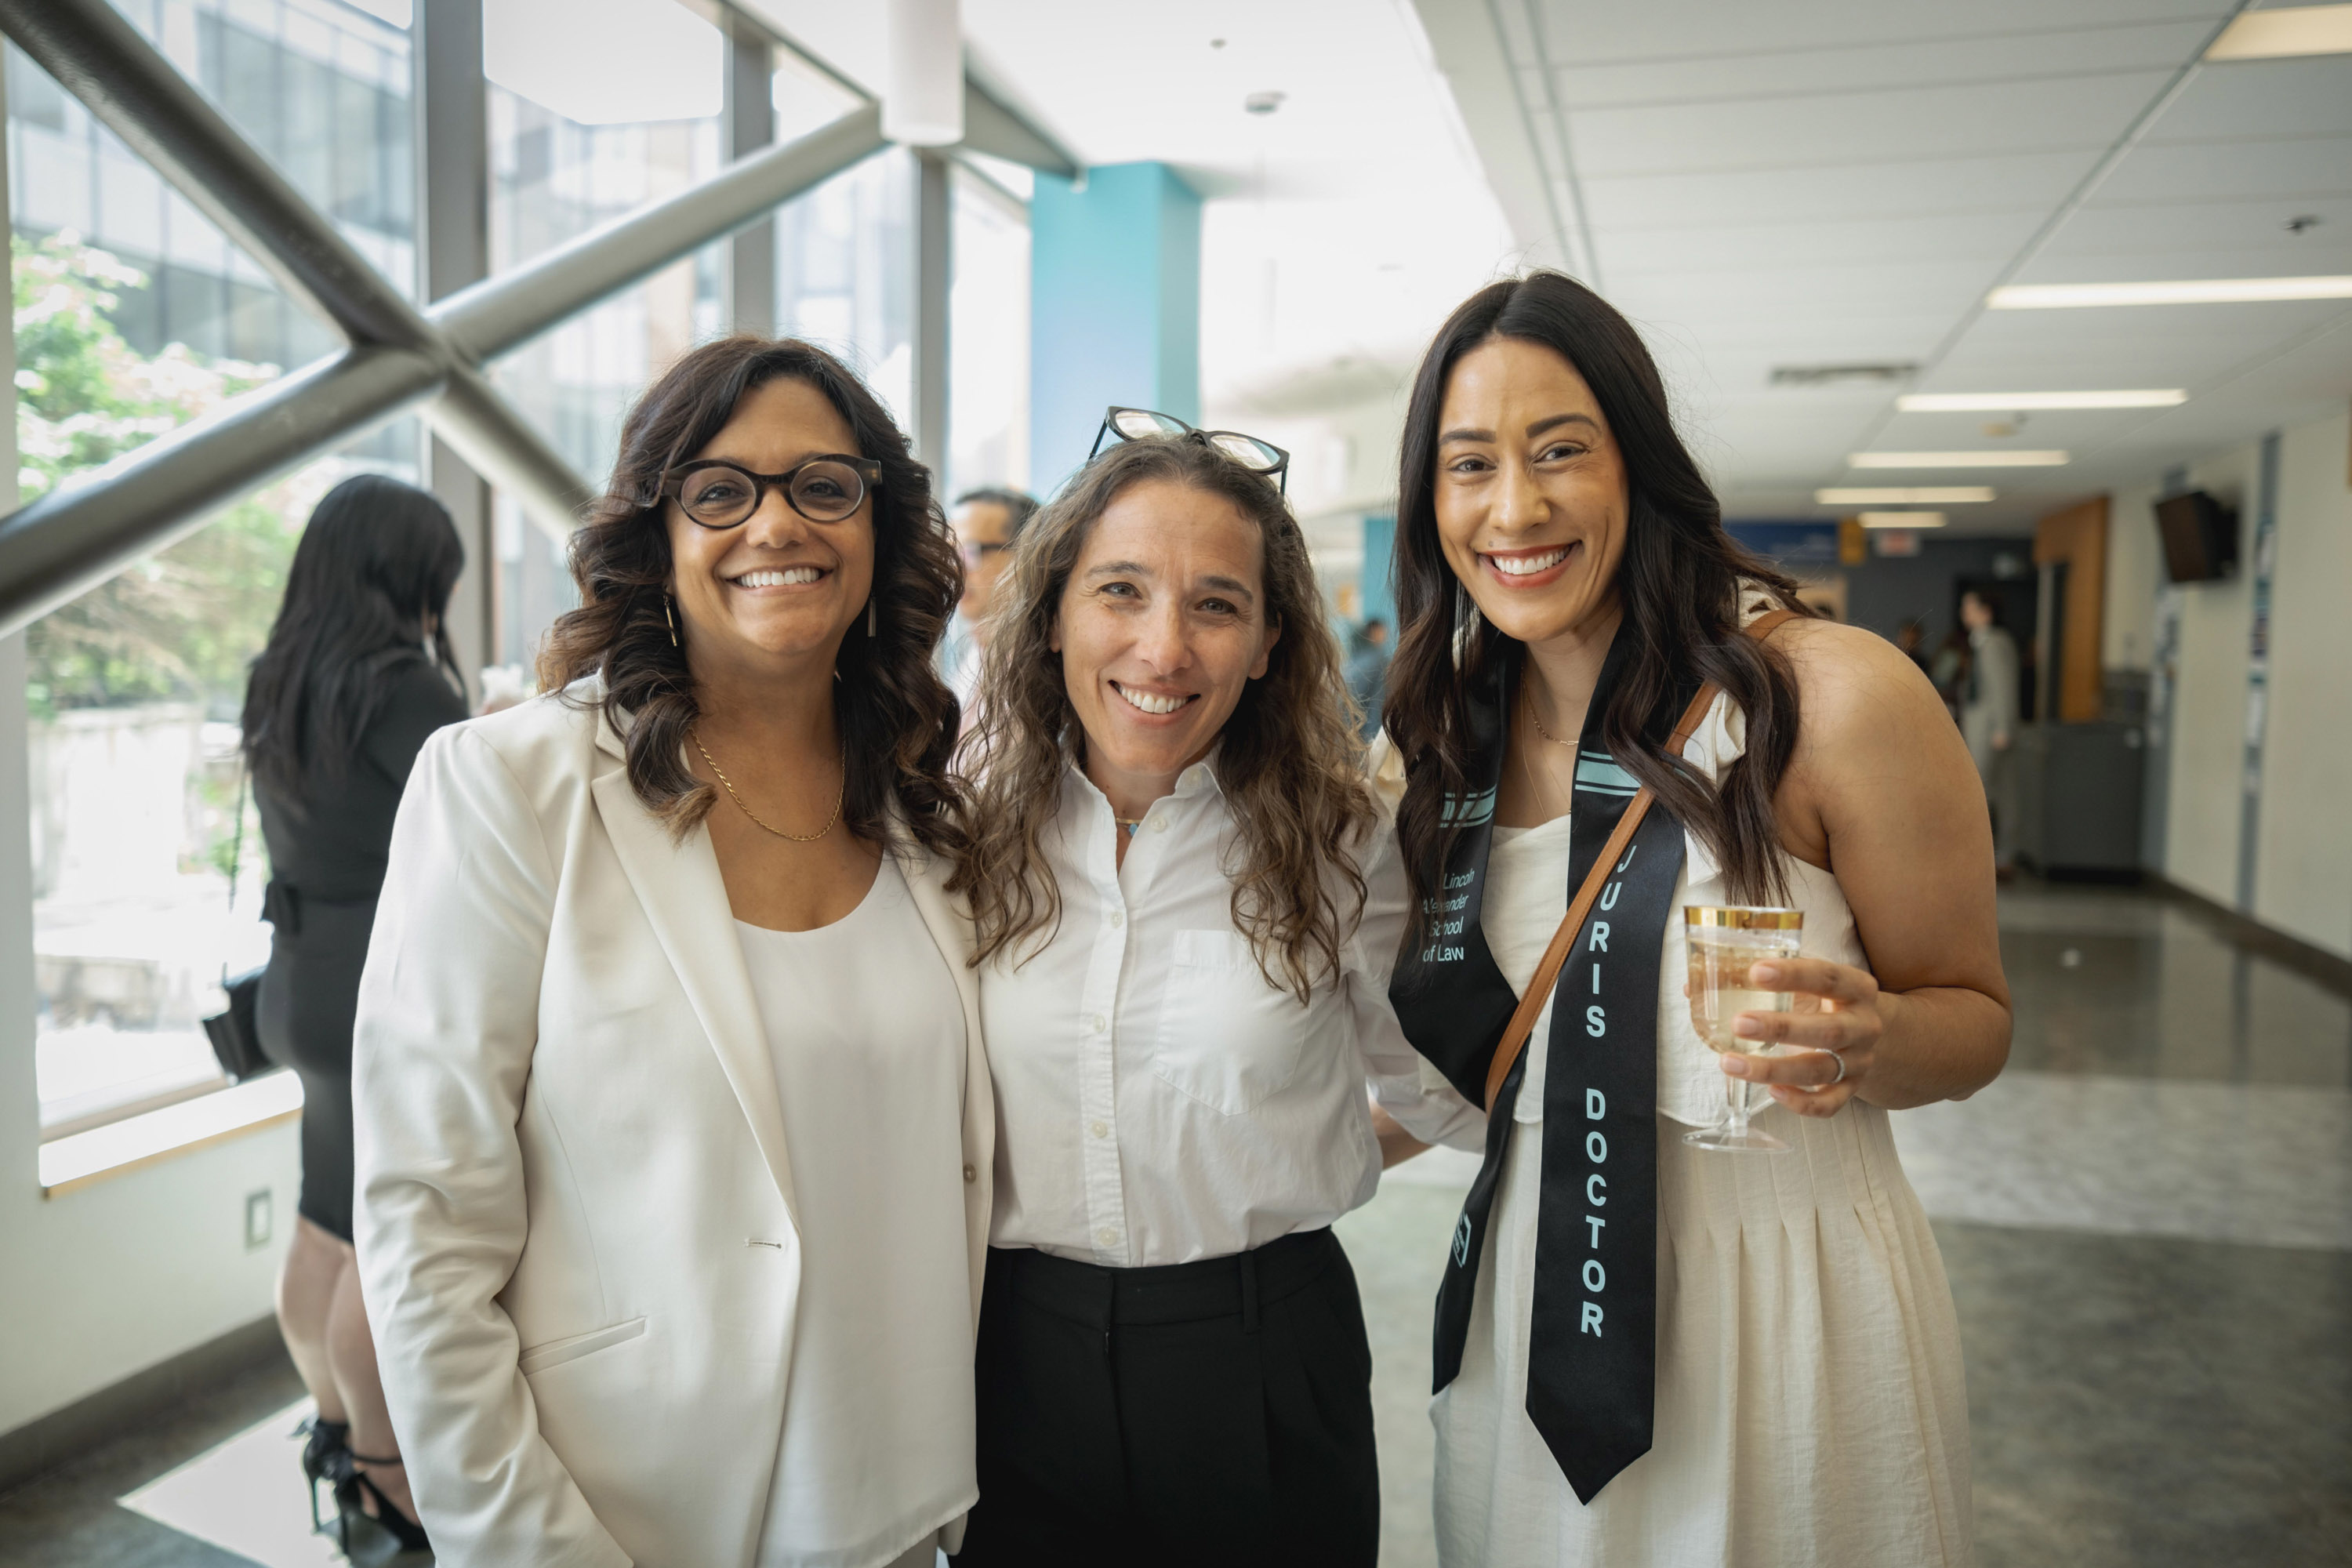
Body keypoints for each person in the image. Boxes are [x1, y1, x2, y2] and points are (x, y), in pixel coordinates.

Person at [1380, 273, 2010, 1566]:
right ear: (1428, 501)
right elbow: (1486, 1071)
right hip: (1533, 1307)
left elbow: (1977, 1020)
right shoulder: (1446, 751)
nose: (1516, 507)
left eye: (1562, 451)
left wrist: (1874, 1036)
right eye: (1469, 464)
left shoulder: (1826, 697)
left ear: (1641, 464)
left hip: (1782, 1300)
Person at [352, 336, 989, 1568]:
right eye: (719, 491)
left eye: (823, 484)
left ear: (877, 520)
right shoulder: (513, 785)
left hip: (910, 1502)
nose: (775, 524)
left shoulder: (922, 806)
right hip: (634, 1517)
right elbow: (426, 1226)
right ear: (659, 534)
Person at [947, 423, 1483, 1566]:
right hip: (1008, 1354)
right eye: (1121, 592)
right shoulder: (958, 833)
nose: (1163, 648)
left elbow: (1451, 1095)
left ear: (1269, 643)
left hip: (1262, 1357)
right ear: (1051, 617)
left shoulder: (1344, 842)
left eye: (1217, 606)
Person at [241, 474, 468, 1554]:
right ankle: (386, 1476)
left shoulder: (278, 675)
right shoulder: (403, 688)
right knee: (389, 1245)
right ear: (410, 574)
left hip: (297, 979)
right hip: (380, 988)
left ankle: (335, 1434)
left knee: (324, 1215)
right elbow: (476, 822)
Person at [938, 486, 1040, 713]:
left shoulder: (1041, 678)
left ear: (1027, 555)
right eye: (951, 554)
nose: (956, 569)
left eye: (969, 552)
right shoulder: (974, 658)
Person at [1958, 589, 2020, 873]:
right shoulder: (1980, 642)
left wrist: (2003, 728)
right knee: (1989, 792)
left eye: (1970, 606)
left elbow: (2002, 688)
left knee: (1991, 794)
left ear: (1986, 611)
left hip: (1991, 732)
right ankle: (1993, 856)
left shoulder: (1994, 643)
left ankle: (1998, 857)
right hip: (1979, 728)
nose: (1965, 612)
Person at [1345, 615, 1391, 740]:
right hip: (1364, 737)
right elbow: (1377, 709)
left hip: (1344, 734)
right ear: (1374, 632)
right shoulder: (1380, 662)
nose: (1385, 636)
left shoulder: (1352, 661)